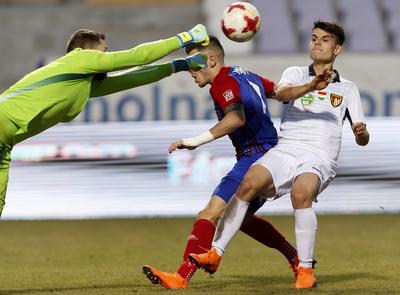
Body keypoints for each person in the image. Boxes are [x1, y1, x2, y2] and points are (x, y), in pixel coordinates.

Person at [189, 20, 370, 289]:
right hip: (286, 148)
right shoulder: (296, 73)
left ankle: (305, 271)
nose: (317, 43)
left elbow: (364, 140)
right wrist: (310, 85)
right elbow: (282, 93)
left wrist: (359, 132)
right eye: (313, 38)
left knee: (301, 193)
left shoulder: (348, 89)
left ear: (337, 49)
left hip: (319, 156)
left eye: (325, 40)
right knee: (248, 183)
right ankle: (215, 253)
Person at [0, 25, 210, 216]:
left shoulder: (84, 81)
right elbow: (140, 56)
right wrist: (187, 37)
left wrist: (181, 64)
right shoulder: (80, 58)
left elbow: (133, 77)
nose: (108, 56)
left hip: (6, 144)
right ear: (88, 51)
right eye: (105, 51)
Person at [142, 36, 299, 289]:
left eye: (193, 65)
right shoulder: (247, 75)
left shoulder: (222, 83)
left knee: (210, 212)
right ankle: (296, 258)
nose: (191, 74)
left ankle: (181, 276)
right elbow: (280, 93)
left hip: (255, 157)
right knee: (241, 218)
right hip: (274, 156)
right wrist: (311, 86)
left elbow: (236, 118)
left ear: (211, 60)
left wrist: (195, 141)